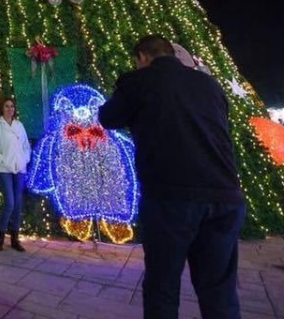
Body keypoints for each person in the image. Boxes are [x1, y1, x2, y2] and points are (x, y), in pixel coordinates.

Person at [99, 34, 246, 319]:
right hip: (226, 196)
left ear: (142, 57)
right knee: (219, 291)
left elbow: (107, 118)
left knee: (163, 287)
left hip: (172, 198)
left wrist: (126, 94)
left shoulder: (138, 82)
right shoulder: (208, 84)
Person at [0, 95, 31, 252]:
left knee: (17, 204)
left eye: (12, 106)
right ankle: (0, 237)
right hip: (4, 169)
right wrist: (2, 160)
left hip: (19, 170)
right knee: (9, 202)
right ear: (1, 108)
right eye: (6, 106)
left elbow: (26, 146)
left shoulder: (19, 125)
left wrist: (25, 160)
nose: (10, 109)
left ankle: (15, 239)